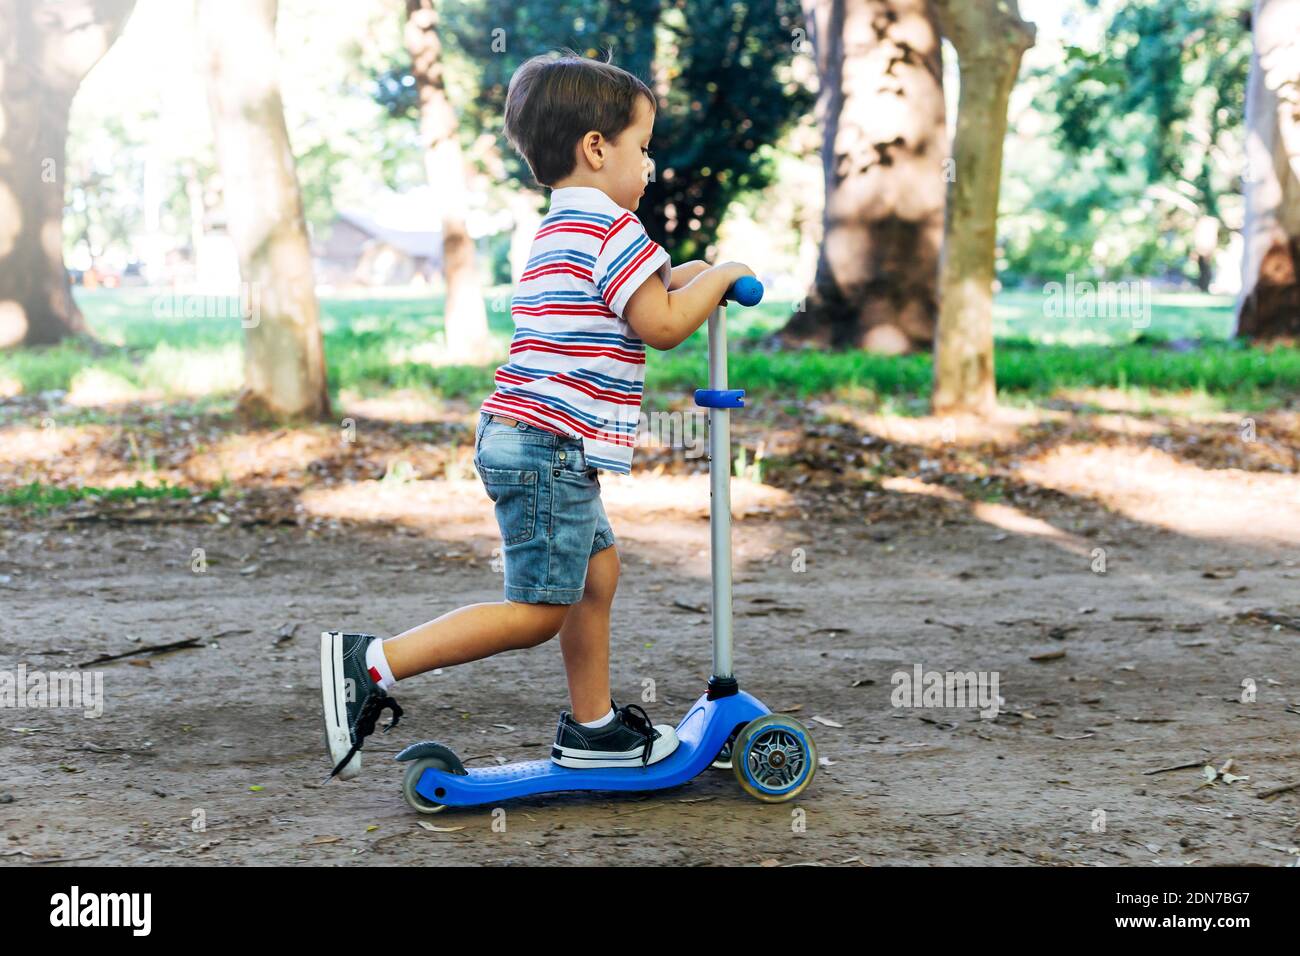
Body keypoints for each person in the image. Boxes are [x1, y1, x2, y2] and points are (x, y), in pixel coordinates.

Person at [321, 49, 754, 781]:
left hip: (537, 441)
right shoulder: (614, 232)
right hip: (550, 446)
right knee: (537, 611)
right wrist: (728, 275)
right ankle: (373, 663)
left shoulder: (560, 230)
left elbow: (648, 292)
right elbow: (662, 322)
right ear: (596, 148)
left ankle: (593, 728)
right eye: (641, 149)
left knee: (597, 575)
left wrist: (696, 279)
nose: (648, 167)